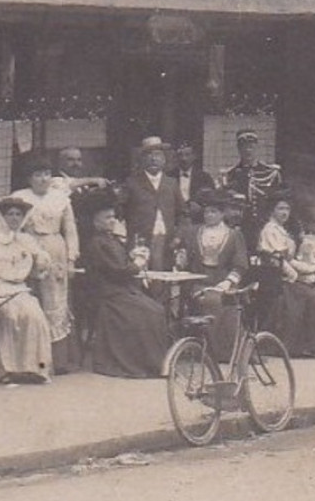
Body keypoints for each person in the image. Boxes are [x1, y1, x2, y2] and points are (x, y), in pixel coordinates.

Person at [78, 190, 170, 378]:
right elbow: (118, 271)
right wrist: (137, 264)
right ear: (96, 221)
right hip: (110, 295)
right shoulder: (96, 243)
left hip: (122, 291)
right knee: (149, 312)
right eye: (107, 218)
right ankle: (144, 364)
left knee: (157, 309)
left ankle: (157, 362)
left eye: (113, 217)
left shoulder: (110, 240)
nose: (112, 221)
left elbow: (122, 264)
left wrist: (133, 260)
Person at [0, 196, 55, 383]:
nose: (14, 218)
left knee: (34, 316)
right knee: (6, 314)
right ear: (2, 216)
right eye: (10, 214)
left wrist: (42, 259)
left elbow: (41, 263)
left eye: (18, 214)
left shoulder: (26, 239)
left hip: (19, 290)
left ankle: (32, 369)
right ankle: (1, 370)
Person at [9, 154, 81, 372]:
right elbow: (9, 227)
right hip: (27, 248)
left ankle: (55, 361)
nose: (43, 179)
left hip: (55, 249)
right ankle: (28, 359)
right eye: (37, 175)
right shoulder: (19, 197)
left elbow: (70, 231)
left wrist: (70, 260)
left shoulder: (61, 198)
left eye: (47, 174)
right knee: (30, 299)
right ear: (29, 178)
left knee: (55, 301)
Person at [175, 191, 252, 364]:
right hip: (198, 281)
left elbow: (240, 264)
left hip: (223, 281)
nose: (209, 215)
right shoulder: (193, 232)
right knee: (209, 300)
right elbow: (185, 258)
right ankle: (205, 350)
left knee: (222, 300)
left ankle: (226, 352)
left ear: (223, 214)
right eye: (207, 212)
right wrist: (181, 258)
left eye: (214, 212)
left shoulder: (233, 235)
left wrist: (228, 282)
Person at [254, 195, 315, 358]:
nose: (284, 212)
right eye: (280, 208)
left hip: (284, 273)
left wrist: (311, 268)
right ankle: (294, 345)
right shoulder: (270, 230)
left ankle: (306, 345)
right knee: (310, 296)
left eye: (287, 209)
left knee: (314, 294)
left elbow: (290, 260)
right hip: (274, 277)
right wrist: (297, 276)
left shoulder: (283, 230)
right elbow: (278, 259)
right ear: (272, 211)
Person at [122, 136, 182, 271]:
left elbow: (183, 214)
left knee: (163, 279)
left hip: (167, 241)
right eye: (148, 154)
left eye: (157, 154)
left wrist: (178, 236)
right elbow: (121, 213)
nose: (153, 158)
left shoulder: (172, 183)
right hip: (140, 242)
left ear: (164, 159)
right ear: (142, 159)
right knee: (140, 279)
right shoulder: (131, 183)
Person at [221, 130, 285, 251]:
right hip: (241, 228)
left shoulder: (270, 172)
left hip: (266, 227)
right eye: (244, 147)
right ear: (238, 149)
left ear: (257, 148)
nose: (247, 151)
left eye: (251, 147)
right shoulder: (230, 175)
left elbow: (279, 201)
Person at [170, 141, 214, 225]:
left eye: (187, 155)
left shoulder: (204, 178)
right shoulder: (169, 177)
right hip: (175, 221)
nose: (184, 159)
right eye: (180, 155)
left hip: (197, 221)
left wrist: (201, 209)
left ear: (194, 156)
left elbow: (212, 202)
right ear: (176, 158)